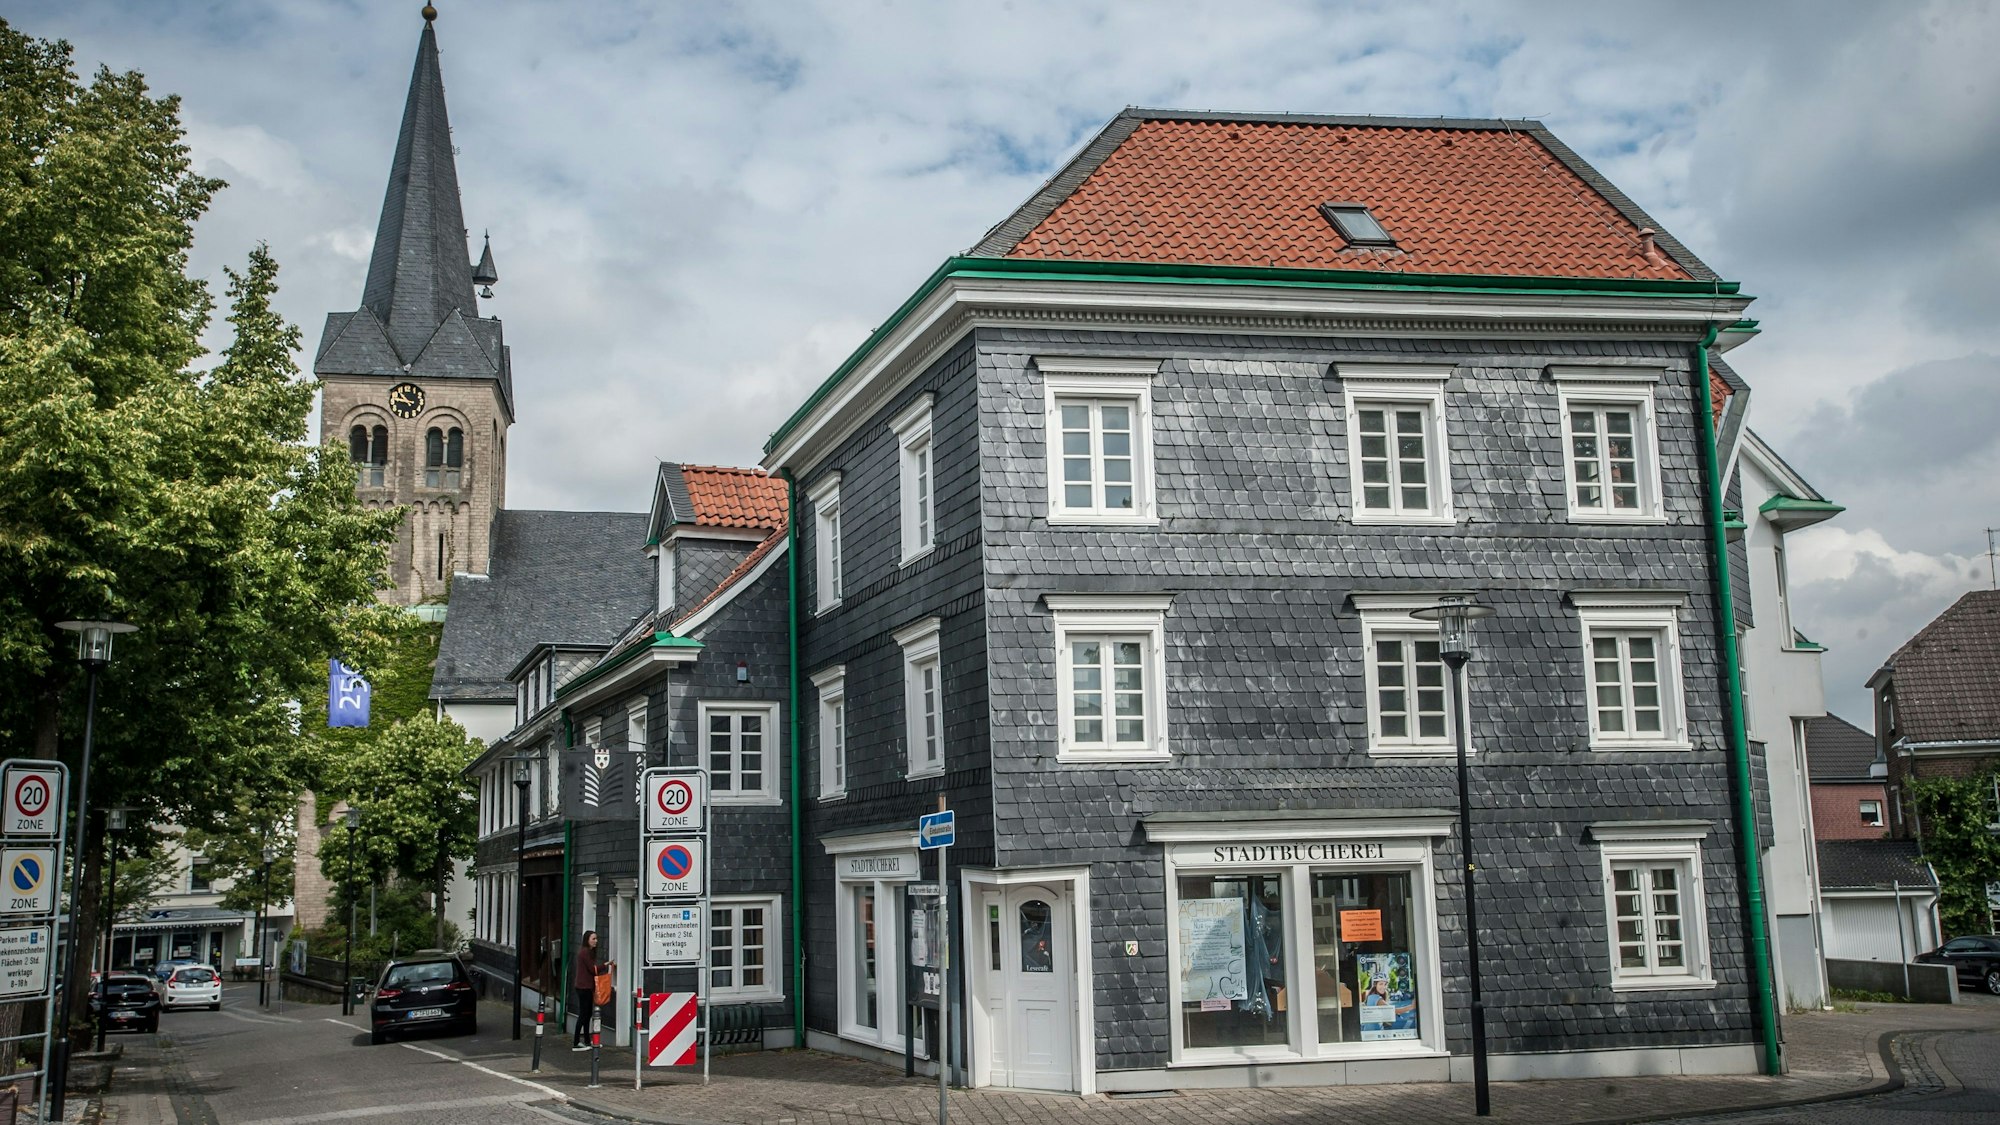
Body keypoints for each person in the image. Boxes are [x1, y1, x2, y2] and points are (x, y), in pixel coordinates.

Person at [571, 930, 612, 1050]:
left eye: (596, 939)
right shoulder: (585, 953)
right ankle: (576, 1042)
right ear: (587, 940)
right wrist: (606, 965)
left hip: (584, 987)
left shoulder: (586, 952)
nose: (596, 941)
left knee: (587, 1014)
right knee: (584, 1014)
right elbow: (592, 969)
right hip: (584, 987)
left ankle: (587, 1041)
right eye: (593, 939)